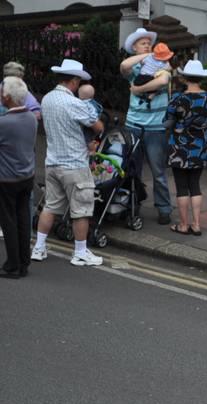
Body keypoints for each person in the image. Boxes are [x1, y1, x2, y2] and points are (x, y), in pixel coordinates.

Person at [31, 59, 104, 267]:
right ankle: (80, 252)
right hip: (74, 164)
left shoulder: (46, 99)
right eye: (78, 81)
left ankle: (39, 248)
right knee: (81, 210)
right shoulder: (74, 103)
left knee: (50, 206)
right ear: (73, 81)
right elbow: (97, 126)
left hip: (52, 162)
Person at [119, 27, 172, 225]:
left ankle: (164, 209)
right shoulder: (134, 67)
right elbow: (124, 66)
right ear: (134, 47)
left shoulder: (162, 62)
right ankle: (132, 205)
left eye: (149, 43)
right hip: (133, 125)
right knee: (133, 169)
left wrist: (137, 88)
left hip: (156, 127)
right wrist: (146, 55)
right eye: (143, 43)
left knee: (158, 172)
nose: (148, 45)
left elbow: (163, 80)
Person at [166, 60, 207, 236]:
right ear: (200, 78)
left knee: (182, 187)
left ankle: (183, 225)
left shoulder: (178, 98)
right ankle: (196, 225)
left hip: (179, 147)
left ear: (186, 78)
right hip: (200, 145)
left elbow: (167, 121)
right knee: (195, 185)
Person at [0, 76, 38, 278]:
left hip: (7, 179)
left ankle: (13, 265)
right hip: (27, 177)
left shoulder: (4, 123)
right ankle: (24, 261)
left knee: (9, 222)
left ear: (7, 97)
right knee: (24, 219)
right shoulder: (31, 118)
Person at [132, 42, 173, 107]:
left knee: (136, 84)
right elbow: (169, 68)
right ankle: (149, 99)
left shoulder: (148, 57)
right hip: (149, 78)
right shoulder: (163, 64)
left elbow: (142, 62)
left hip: (140, 77)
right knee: (156, 89)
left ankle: (142, 97)